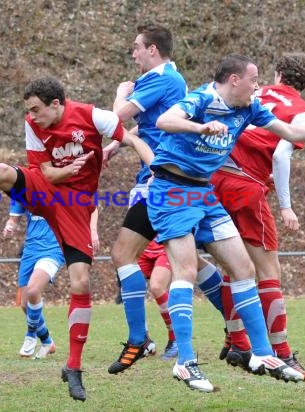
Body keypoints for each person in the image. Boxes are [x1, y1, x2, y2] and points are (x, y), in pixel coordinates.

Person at [0, 76, 154, 402]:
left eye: (36, 109)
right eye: (29, 110)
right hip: (46, 189)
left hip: (77, 204)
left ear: (56, 104)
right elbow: (48, 173)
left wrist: (157, 172)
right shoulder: (33, 124)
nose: (31, 116)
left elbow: (133, 141)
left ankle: (74, 368)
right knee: (2, 172)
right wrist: (69, 170)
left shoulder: (93, 117)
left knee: (80, 282)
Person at [148, 53, 305, 392]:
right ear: (233, 80)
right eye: (253, 80)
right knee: (184, 271)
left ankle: (260, 354)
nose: (258, 86)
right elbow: (167, 120)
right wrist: (200, 126)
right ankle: (185, 362)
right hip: (171, 191)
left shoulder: (250, 108)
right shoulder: (203, 98)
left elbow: (286, 131)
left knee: (243, 269)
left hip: (205, 193)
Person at [103, 22, 225, 375]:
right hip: (159, 177)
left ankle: (140, 338)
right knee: (189, 263)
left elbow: (117, 117)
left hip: (161, 180)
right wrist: (115, 145)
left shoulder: (162, 79)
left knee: (130, 255)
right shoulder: (169, 80)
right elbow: (149, 125)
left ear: (152, 50)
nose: (133, 53)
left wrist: (119, 94)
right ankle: (237, 328)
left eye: (136, 47)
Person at [212, 53, 305, 381]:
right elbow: (282, 153)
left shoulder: (252, 91)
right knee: (269, 271)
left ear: (279, 73)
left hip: (213, 176)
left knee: (233, 265)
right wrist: (285, 205)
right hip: (246, 184)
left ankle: (237, 341)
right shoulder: (302, 110)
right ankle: (282, 353)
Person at [3, 204, 99, 360]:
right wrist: (10, 226)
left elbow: (92, 208)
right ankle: (47, 342)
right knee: (24, 304)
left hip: (53, 249)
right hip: (30, 250)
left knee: (33, 290)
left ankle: (31, 335)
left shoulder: (61, 186)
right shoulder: (23, 188)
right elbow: (14, 219)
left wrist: (93, 232)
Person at [137, 239, 177, 360]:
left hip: (165, 244)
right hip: (142, 244)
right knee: (131, 289)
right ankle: (141, 341)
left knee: (157, 286)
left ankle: (175, 339)